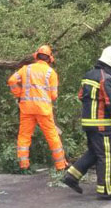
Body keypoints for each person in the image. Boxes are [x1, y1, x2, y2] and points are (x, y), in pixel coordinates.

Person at [63, 45, 111, 200]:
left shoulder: (89, 75)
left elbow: (81, 96)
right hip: (102, 124)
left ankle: (72, 176)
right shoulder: (107, 78)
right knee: (107, 156)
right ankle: (106, 190)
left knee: (95, 152)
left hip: (88, 123)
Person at [7, 45, 67, 174]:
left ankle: (24, 166)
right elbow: (54, 95)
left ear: (36, 56)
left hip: (26, 109)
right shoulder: (51, 73)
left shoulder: (26, 69)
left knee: (24, 136)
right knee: (52, 136)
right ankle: (61, 166)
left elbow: (11, 80)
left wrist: (19, 94)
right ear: (50, 58)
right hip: (43, 110)